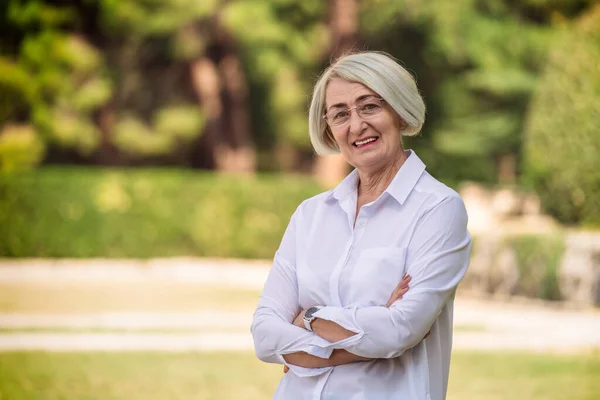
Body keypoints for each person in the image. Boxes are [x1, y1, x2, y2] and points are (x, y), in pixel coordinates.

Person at [251, 51, 472, 400]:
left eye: (369, 106)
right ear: (329, 128)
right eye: (340, 114)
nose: (356, 126)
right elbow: (264, 335)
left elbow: (401, 330)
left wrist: (306, 319)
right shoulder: (310, 215)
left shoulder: (439, 209)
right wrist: (370, 326)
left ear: (398, 110)